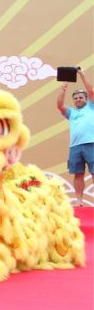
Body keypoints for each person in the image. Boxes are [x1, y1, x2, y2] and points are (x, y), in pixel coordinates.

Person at [57, 67, 94, 206]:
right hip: (75, 147)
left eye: (81, 97)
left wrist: (82, 74)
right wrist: (64, 87)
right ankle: (79, 201)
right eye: (76, 98)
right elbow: (60, 105)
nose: (78, 99)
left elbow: (91, 91)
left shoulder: (91, 107)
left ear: (86, 99)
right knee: (78, 174)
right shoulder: (71, 112)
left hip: (91, 144)